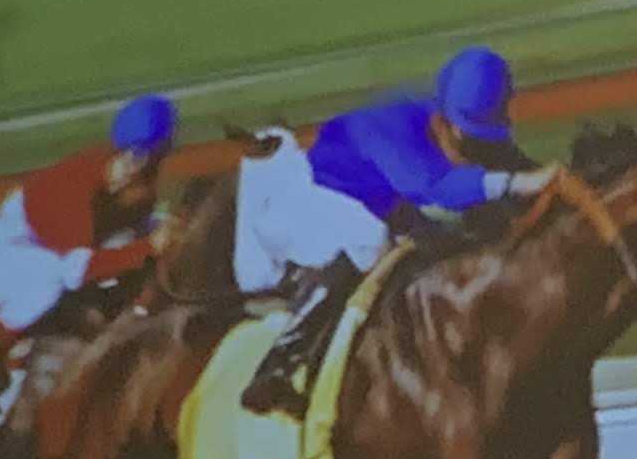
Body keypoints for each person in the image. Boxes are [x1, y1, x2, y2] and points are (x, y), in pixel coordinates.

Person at [234, 45, 552, 416]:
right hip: (309, 201)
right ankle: (276, 366)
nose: (477, 146)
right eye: (470, 136)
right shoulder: (391, 130)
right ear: (444, 119)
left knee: (447, 246)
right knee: (371, 241)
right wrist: (516, 183)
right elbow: (438, 188)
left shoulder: (464, 122)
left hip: (373, 202)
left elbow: (516, 166)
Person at [0, 91, 179, 339]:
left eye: (150, 157)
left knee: (121, 251)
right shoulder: (74, 188)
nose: (138, 165)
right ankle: (2, 347)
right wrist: (147, 247)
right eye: (133, 155)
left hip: (45, 255)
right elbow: (75, 270)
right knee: (51, 276)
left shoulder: (140, 187)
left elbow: (135, 230)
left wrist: (163, 231)